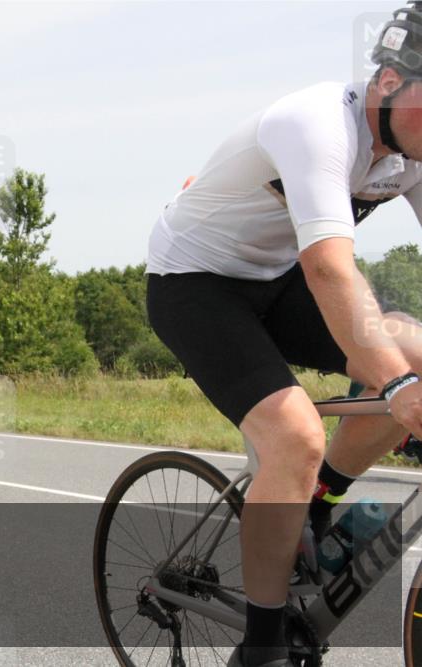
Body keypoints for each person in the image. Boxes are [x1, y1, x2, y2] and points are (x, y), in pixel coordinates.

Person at [145, 5, 422, 666]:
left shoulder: (412, 147)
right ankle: (261, 646)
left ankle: (319, 506)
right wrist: (401, 386)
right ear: (389, 81)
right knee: (296, 433)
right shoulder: (318, 123)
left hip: (275, 279)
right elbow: (329, 266)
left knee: (411, 345)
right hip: (196, 282)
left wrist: (403, 369)